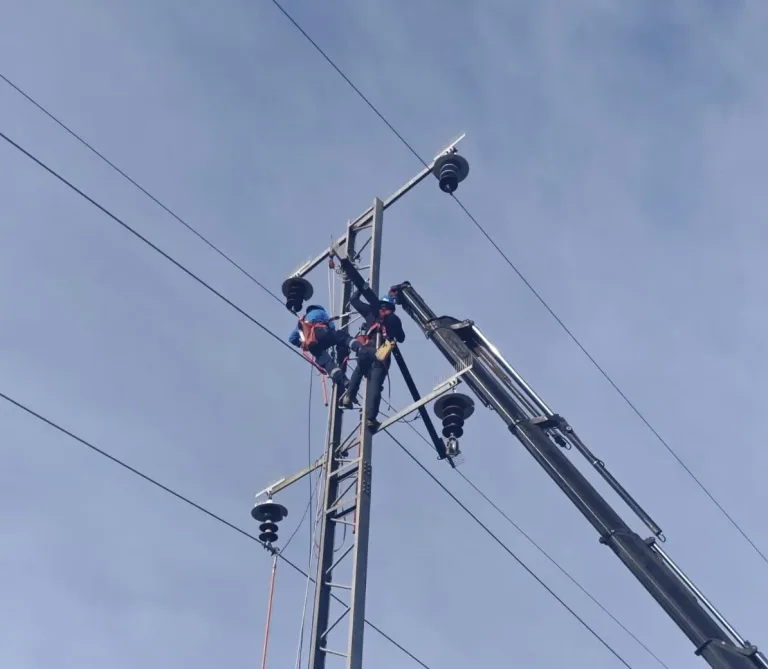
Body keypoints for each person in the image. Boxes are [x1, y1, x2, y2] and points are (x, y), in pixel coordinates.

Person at [340, 290, 405, 430]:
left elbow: (353, 299)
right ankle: (370, 418)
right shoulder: (393, 319)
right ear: (391, 307)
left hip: (365, 350)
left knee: (359, 370)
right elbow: (401, 338)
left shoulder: (371, 312)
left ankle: (349, 396)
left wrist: (361, 288)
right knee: (375, 386)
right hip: (380, 355)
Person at [288, 304, 350, 390]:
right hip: (323, 333)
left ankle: (343, 380)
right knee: (342, 338)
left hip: (312, 345)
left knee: (327, 362)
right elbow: (332, 327)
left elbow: (292, 338)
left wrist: (302, 345)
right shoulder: (322, 313)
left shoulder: (303, 321)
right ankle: (344, 360)